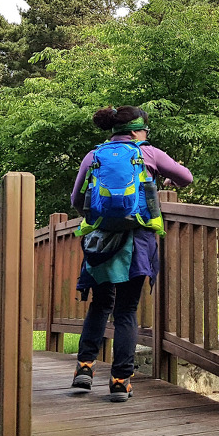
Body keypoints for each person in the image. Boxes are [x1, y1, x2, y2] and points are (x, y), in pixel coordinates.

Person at [69, 106, 193, 402]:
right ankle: (120, 380)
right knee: (126, 310)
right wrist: (169, 182)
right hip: (136, 242)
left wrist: (98, 219)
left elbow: (76, 198)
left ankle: (84, 367)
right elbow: (185, 177)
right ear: (138, 130)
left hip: (101, 243)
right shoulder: (147, 153)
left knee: (100, 304)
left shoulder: (94, 155)